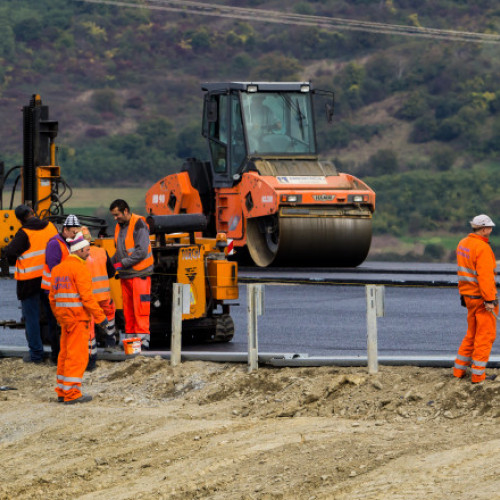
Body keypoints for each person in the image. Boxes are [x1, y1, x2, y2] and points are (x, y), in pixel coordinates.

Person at [49, 232, 107, 404]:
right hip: (78, 320)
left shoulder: (58, 269)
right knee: (77, 357)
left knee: (64, 355)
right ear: (79, 250)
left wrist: (59, 316)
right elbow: (87, 298)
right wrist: (101, 318)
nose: (89, 253)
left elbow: (52, 298)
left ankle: (62, 390)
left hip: (65, 320)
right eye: (87, 250)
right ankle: (72, 394)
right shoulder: (80, 269)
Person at [1, 204, 58, 363]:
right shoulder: (51, 227)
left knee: (31, 318)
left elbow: (9, 253)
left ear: (19, 220)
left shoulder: (24, 233)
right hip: (49, 278)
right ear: (33, 212)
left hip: (29, 282)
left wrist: (6, 269)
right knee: (53, 316)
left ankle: (36, 355)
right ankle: (56, 353)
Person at [454, 214, 498, 384]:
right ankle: (478, 376)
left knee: (471, 334)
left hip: (468, 296)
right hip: (481, 298)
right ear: (484, 229)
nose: (491, 230)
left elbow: (464, 272)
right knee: (485, 336)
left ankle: (458, 370)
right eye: (490, 227)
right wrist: (490, 300)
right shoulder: (483, 249)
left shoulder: (463, 244)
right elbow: (485, 277)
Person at [109, 199, 153, 349]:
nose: (115, 218)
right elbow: (120, 251)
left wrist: (122, 264)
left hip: (140, 274)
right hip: (126, 275)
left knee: (140, 309)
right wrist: (109, 262)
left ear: (126, 211)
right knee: (128, 310)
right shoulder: (119, 226)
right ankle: (131, 343)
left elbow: (141, 252)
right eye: (114, 215)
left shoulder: (139, 224)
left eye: (117, 214)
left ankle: (143, 342)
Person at [41, 214, 81, 364]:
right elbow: (54, 269)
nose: (74, 235)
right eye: (72, 232)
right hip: (52, 292)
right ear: (65, 230)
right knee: (55, 325)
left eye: (77, 232)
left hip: (63, 291)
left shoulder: (67, 243)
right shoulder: (55, 244)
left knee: (63, 325)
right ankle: (56, 356)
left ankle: (62, 355)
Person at [81, 227, 118, 371]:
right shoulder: (102, 252)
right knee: (109, 318)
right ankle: (110, 344)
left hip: (89, 299)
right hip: (104, 296)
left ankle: (91, 361)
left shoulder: (78, 256)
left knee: (89, 329)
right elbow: (111, 272)